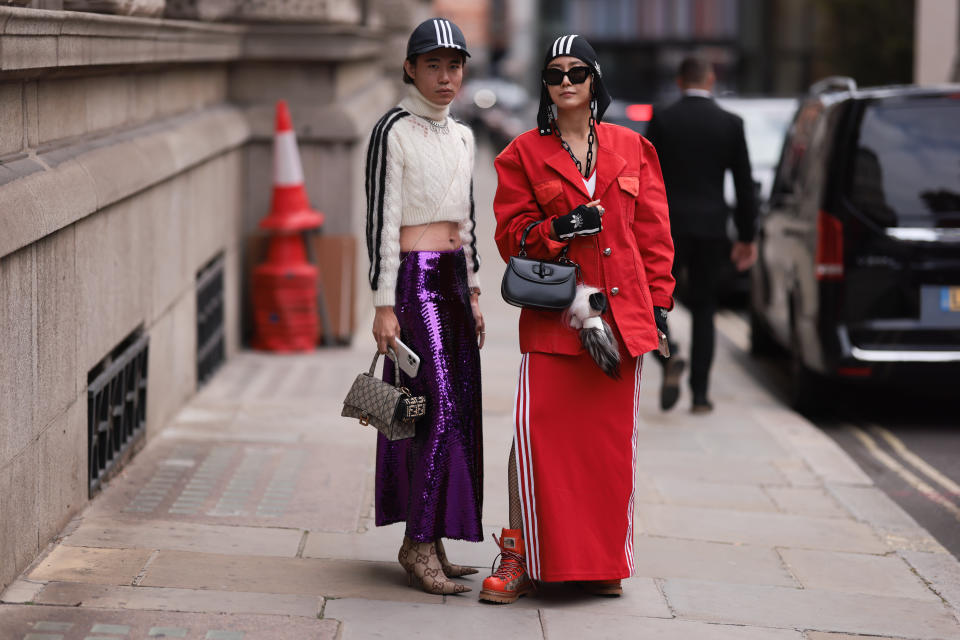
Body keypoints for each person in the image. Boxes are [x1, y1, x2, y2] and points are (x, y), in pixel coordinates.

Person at [481, 34, 675, 604]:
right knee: (534, 442)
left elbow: (655, 238)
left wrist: (659, 307)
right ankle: (517, 553)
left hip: (621, 326)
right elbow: (509, 237)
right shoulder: (521, 153)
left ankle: (596, 562)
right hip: (554, 324)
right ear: (544, 85)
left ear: (595, 81)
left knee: (606, 452)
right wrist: (558, 231)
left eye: (577, 72)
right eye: (554, 74)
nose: (565, 82)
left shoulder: (634, 148)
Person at [364, 17, 484, 596]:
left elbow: (469, 219)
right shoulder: (393, 130)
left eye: (454, 65)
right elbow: (381, 222)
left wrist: (478, 291)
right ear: (410, 67)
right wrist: (384, 304)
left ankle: (432, 535)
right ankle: (415, 544)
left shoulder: (463, 135)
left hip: (456, 283)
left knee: (454, 408)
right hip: (414, 284)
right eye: (433, 64)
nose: (445, 76)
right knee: (426, 408)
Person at [645, 55, 758, 414]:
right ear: (710, 80)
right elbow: (743, 185)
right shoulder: (730, 123)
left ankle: (669, 358)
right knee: (706, 308)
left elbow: (646, 179)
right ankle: (700, 395)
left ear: (680, 82)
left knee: (652, 304)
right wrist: (746, 236)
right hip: (711, 227)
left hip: (668, 228)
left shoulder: (663, 119)